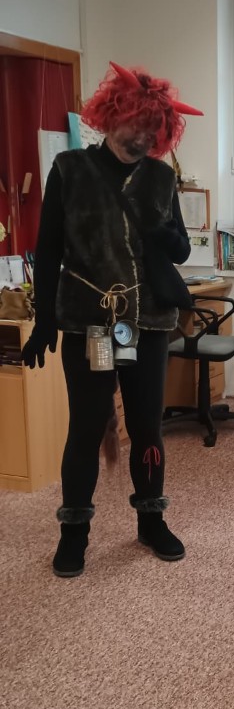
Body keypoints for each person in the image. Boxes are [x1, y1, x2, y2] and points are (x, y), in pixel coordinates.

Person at [21, 62, 203, 578]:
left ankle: (151, 521)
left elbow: (181, 249)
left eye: (153, 130)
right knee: (85, 428)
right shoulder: (70, 169)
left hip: (146, 324)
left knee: (147, 427)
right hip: (93, 323)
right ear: (110, 116)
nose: (142, 138)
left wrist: (160, 230)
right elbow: (48, 249)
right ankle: (74, 532)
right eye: (135, 125)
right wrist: (45, 320)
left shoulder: (161, 177)